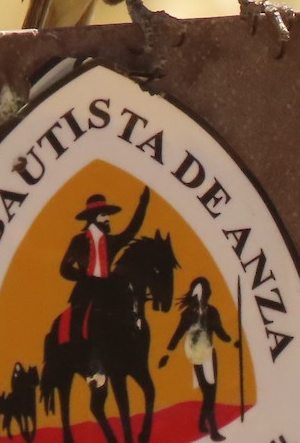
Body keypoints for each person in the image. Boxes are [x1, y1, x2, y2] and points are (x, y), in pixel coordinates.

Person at [58, 188, 150, 381]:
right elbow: (64, 269)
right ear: (93, 217)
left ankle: (128, 353)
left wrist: (143, 205)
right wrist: (83, 277)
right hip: (87, 290)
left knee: (128, 309)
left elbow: (132, 229)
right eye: (103, 215)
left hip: (109, 289)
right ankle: (89, 360)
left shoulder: (111, 241)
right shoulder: (78, 241)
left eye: (107, 215)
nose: (107, 219)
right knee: (82, 320)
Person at [159, 277, 234, 441]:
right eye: (196, 292)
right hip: (196, 356)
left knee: (211, 393)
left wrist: (233, 342)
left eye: (202, 292)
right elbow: (177, 334)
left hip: (209, 354)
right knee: (207, 392)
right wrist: (167, 353)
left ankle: (201, 422)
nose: (199, 295)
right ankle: (213, 431)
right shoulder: (188, 314)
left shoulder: (212, 312)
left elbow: (221, 332)